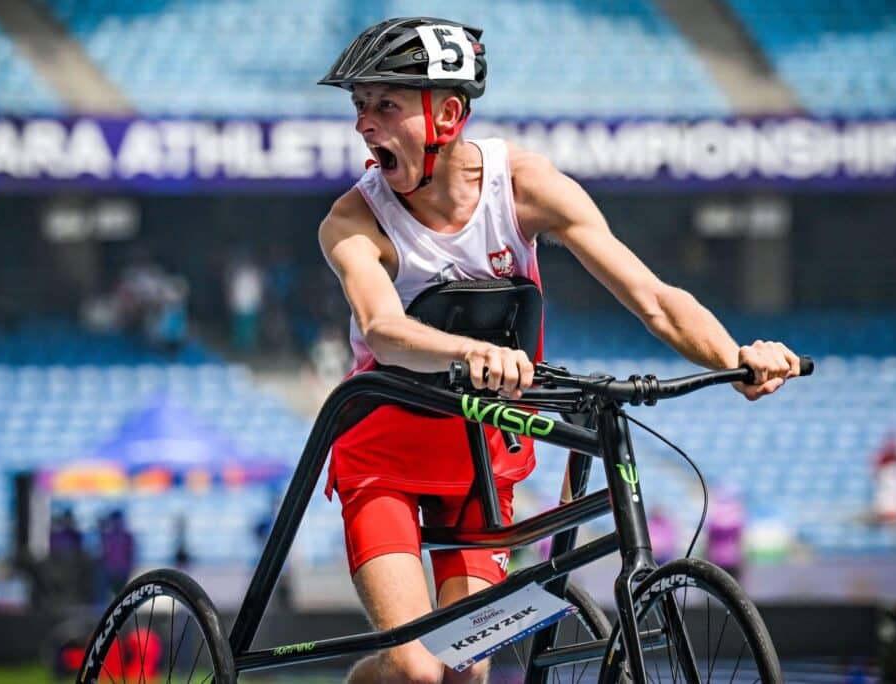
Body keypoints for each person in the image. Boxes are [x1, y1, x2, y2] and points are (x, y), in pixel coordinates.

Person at [316, 17, 802, 684]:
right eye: (360, 105)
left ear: (448, 114)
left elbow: (653, 297)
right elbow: (381, 328)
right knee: (419, 674)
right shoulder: (352, 219)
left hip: (482, 456)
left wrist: (734, 357)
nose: (363, 124)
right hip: (385, 456)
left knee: (464, 673)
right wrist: (469, 351)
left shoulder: (523, 186)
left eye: (385, 105)